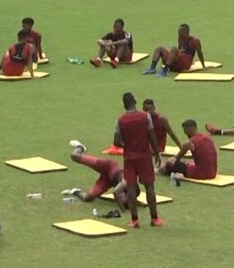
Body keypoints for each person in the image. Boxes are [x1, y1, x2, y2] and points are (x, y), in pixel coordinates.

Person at [114, 92, 164, 228]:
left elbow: (116, 142)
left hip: (129, 157)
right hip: (144, 156)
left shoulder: (120, 120)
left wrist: (127, 145)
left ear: (124, 105)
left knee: (130, 187)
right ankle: (155, 219)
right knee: (150, 187)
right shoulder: (145, 116)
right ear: (135, 102)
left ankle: (134, 220)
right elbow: (152, 136)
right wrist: (158, 154)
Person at [66, 140, 130, 207]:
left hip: (108, 181)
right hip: (108, 166)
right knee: (74, 156)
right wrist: (122, 209)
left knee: (87, 198)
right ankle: (80, 147)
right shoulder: (128, 183)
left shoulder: (129, 194)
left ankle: (76, 192)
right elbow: (116, 192)